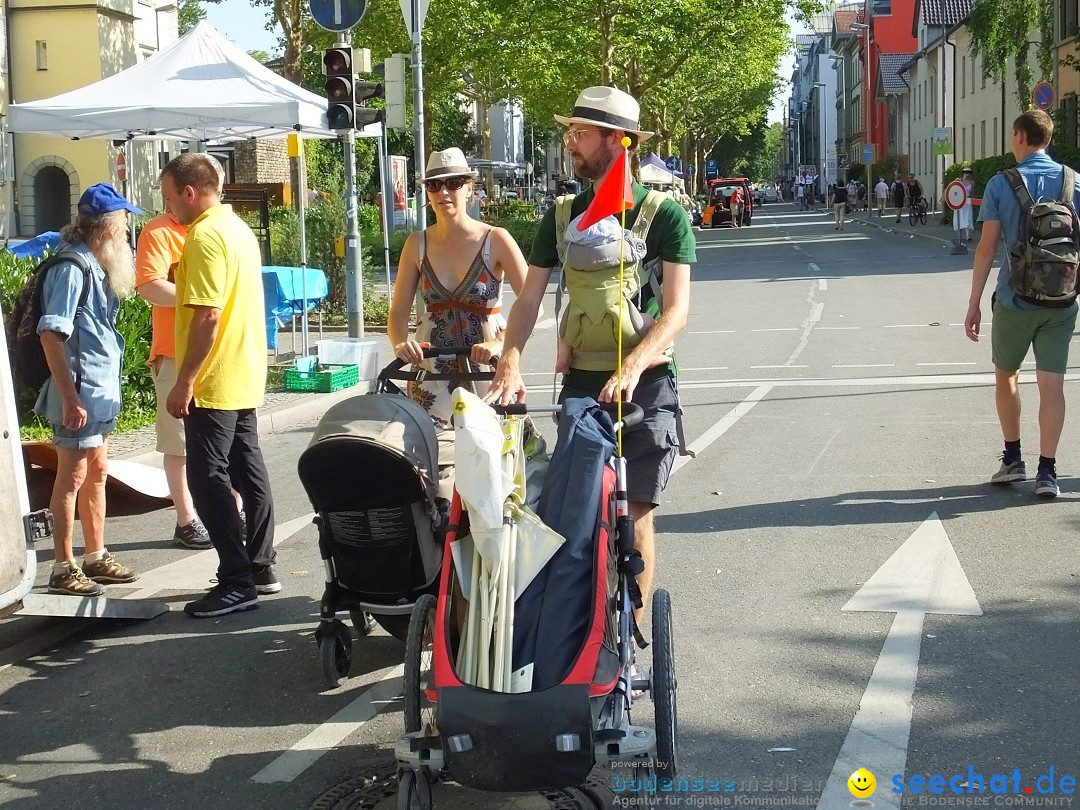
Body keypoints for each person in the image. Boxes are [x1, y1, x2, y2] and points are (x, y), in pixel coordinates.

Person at [486, 86, 696, 624]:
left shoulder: (665, 216)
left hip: (646, 385)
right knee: (579, 510)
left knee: (638, 515)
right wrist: (511, 357)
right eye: (571, 132)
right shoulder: (559, 217)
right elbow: (529, 299)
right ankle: (583, 629)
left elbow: (675, 313)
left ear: (617, 141)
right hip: (582, 384)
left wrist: (633, 365)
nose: (569, 142)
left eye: (580, 133)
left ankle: (629, 642)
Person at [161, 153, 278, 617]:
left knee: (206, 478)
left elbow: (208, 315)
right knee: (248, 471)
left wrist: (184, 380)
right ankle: (260, 565)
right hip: (243, 368)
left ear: (190, 192)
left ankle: (235, 580)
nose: (170, 209)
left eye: (170, 198)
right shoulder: (236, 228)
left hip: (213, 375)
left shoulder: (205, 235)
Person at [963, 109, 1080, 498]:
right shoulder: (1074, 182)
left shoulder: (1000, 184)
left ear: (1018, 136)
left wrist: (974, 302)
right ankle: (1048, 472)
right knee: (1053, 386)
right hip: (1062, 303)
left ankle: (1013, 459)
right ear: (1047, 139)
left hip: (1014, 300)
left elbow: (986, 248)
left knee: (1007, 375)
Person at [38, 184, 141, 596]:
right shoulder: (72, 268)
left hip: (95, 396)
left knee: (96, 473)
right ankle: (62, 567)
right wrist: (70, 398)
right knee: (73, 476)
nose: (129, 232)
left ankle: (95, 557)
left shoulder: (93, 266)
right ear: (109, 228)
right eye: (125, 223)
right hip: (79, 396)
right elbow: (51, 336)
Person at [388, 147, 527, 426]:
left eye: (453, 183)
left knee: (493, 454)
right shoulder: (417, 244)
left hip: (487, 370)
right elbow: (398, 312)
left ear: (469, 188)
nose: (443, 192)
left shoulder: (496, 240)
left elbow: (532, 304)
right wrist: (401, 344)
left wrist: (499, 343)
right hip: (432, 372)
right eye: (434, 185)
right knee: (431, 457)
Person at [135, 209, 213, 550]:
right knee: (178, 443)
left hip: (212, 350)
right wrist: (197, 301)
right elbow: (150, 286)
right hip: (174, 352)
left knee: (221, 438)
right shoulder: (159, 231)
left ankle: (231, 511)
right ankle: (186, 521)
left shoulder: (214, 228)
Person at [957, 167, 975, 241]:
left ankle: (968, 236)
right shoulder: (959, 181)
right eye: (965, 173)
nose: (967, 175)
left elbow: (972, 193)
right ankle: (960, 234)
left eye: (968, 173)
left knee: (968, 217)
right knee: (961, 217)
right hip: (960, 202)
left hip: (968, 201)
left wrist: (972, 200)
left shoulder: (972, 182)